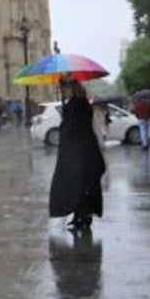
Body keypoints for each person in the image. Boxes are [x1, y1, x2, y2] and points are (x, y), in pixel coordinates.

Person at [49, 79, 106, 230]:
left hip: (79, 152)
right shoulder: (82, 103)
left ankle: (80, 218)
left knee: (78, 185)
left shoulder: (75, 105)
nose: (62, 92)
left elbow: (72, 128)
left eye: (64, 89)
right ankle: (81, 217)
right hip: (86, 150)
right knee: (85, 185)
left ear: (71, 89)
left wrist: (65, 123)